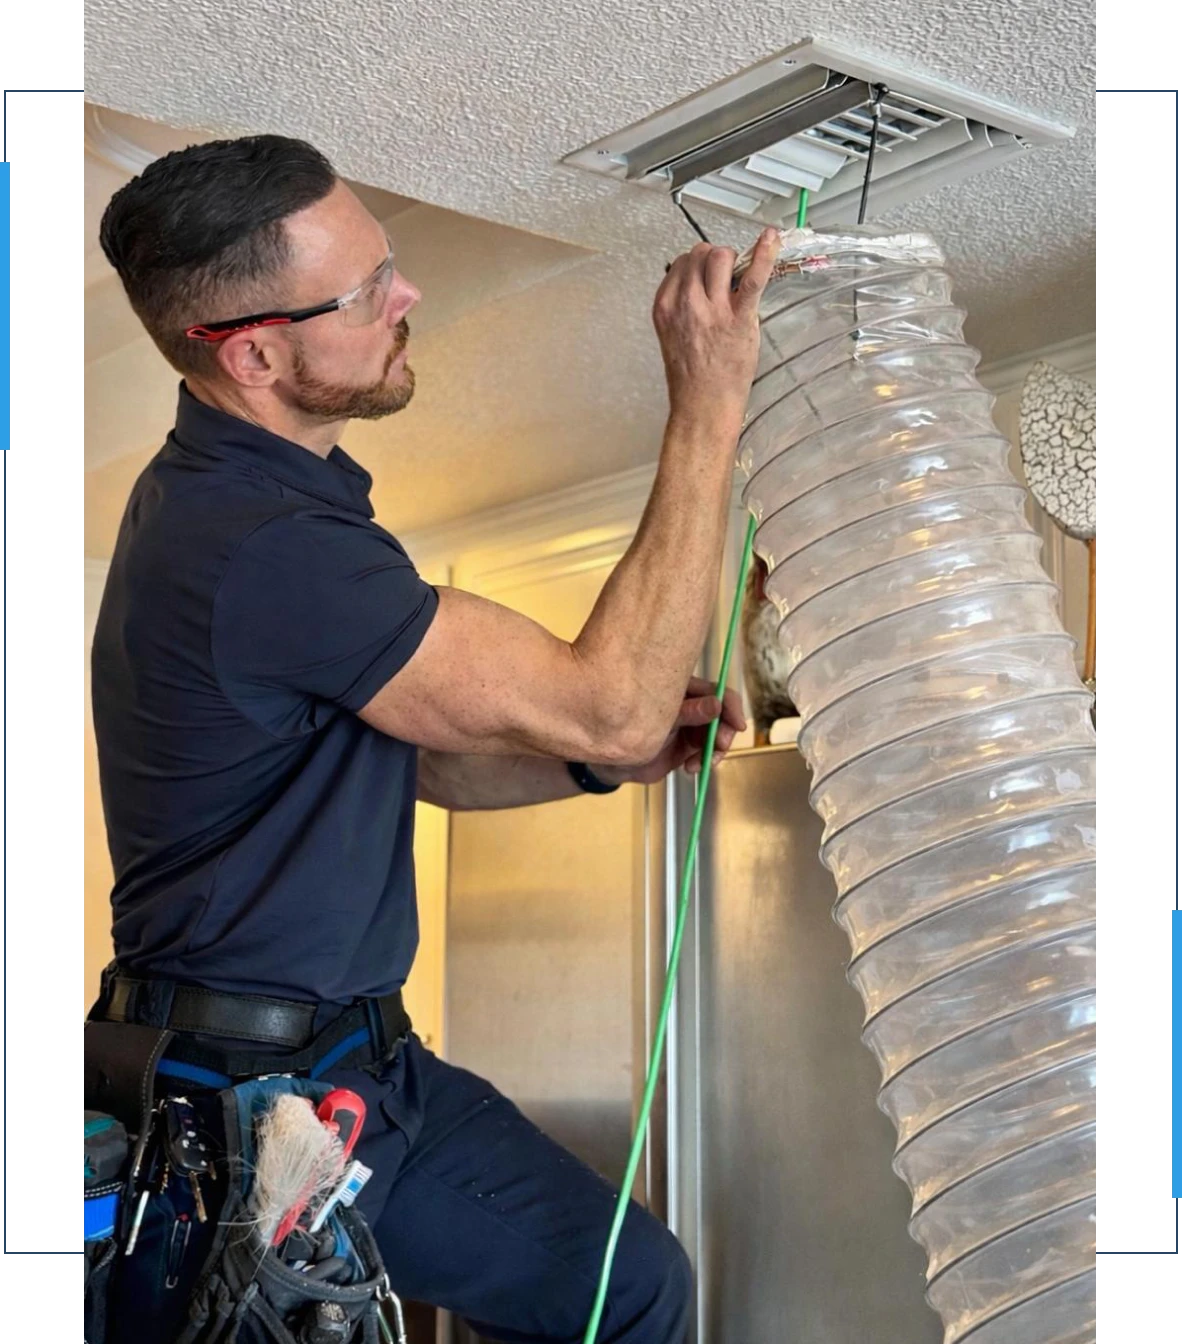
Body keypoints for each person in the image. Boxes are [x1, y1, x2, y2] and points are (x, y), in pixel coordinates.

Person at [89, 133, 779, 1341]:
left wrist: (592, 758)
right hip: (255, 1103)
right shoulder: (262, 543)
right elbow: (611, 693)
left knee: (623, 1280)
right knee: (627, 1290)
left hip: (354, 1059)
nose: (409, 296)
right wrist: (709, 407)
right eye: (366, 292)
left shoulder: (264, 502)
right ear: (252, 353)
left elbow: (425, 760)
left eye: (389, 263)